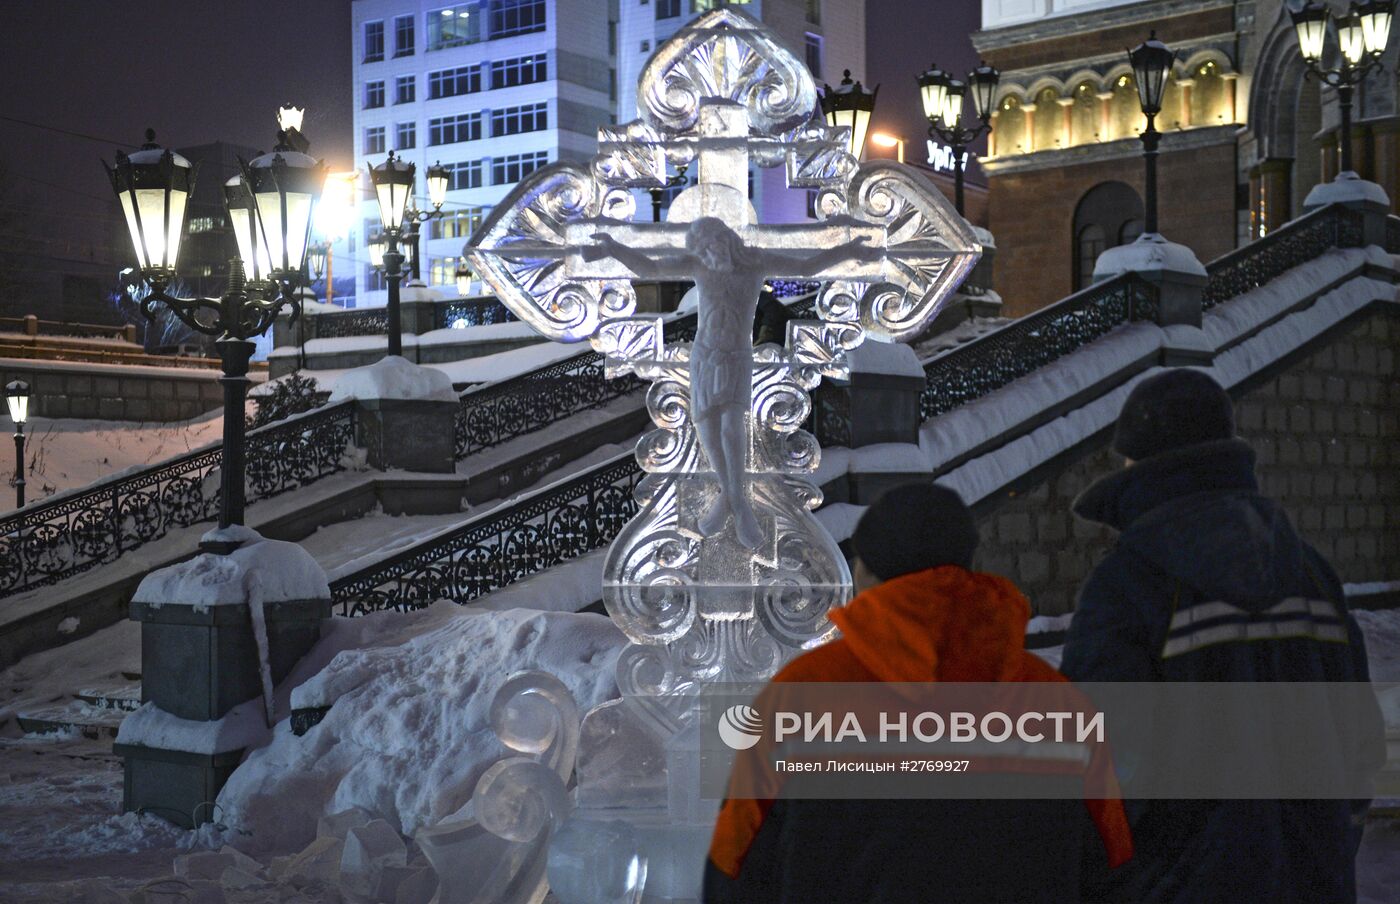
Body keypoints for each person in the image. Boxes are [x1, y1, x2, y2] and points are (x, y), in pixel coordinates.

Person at [705, 483, 1133, 903]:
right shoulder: (1057, 703)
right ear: (968, 565)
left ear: (864, 572)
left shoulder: (800, 696)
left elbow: (735, 863)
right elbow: (1113, 863)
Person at [1060, 368, 1384, 903]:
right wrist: (1324, 844)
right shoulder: (1312, 574)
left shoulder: (1132, 581)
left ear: (1139, 466)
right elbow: (1359, 746)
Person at [587, 218, 881, 549]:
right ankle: (737, 503)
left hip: (736, 355)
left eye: (714, 244)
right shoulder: (699, 265)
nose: (711, 252)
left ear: (726, 240)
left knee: (730, 426)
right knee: (707, 428)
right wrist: (613, 248)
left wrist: (849, 250)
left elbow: (808, 266)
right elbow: (649, 268)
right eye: (704, 249)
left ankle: (735, 506)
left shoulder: (755, 262)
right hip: (705, 355)